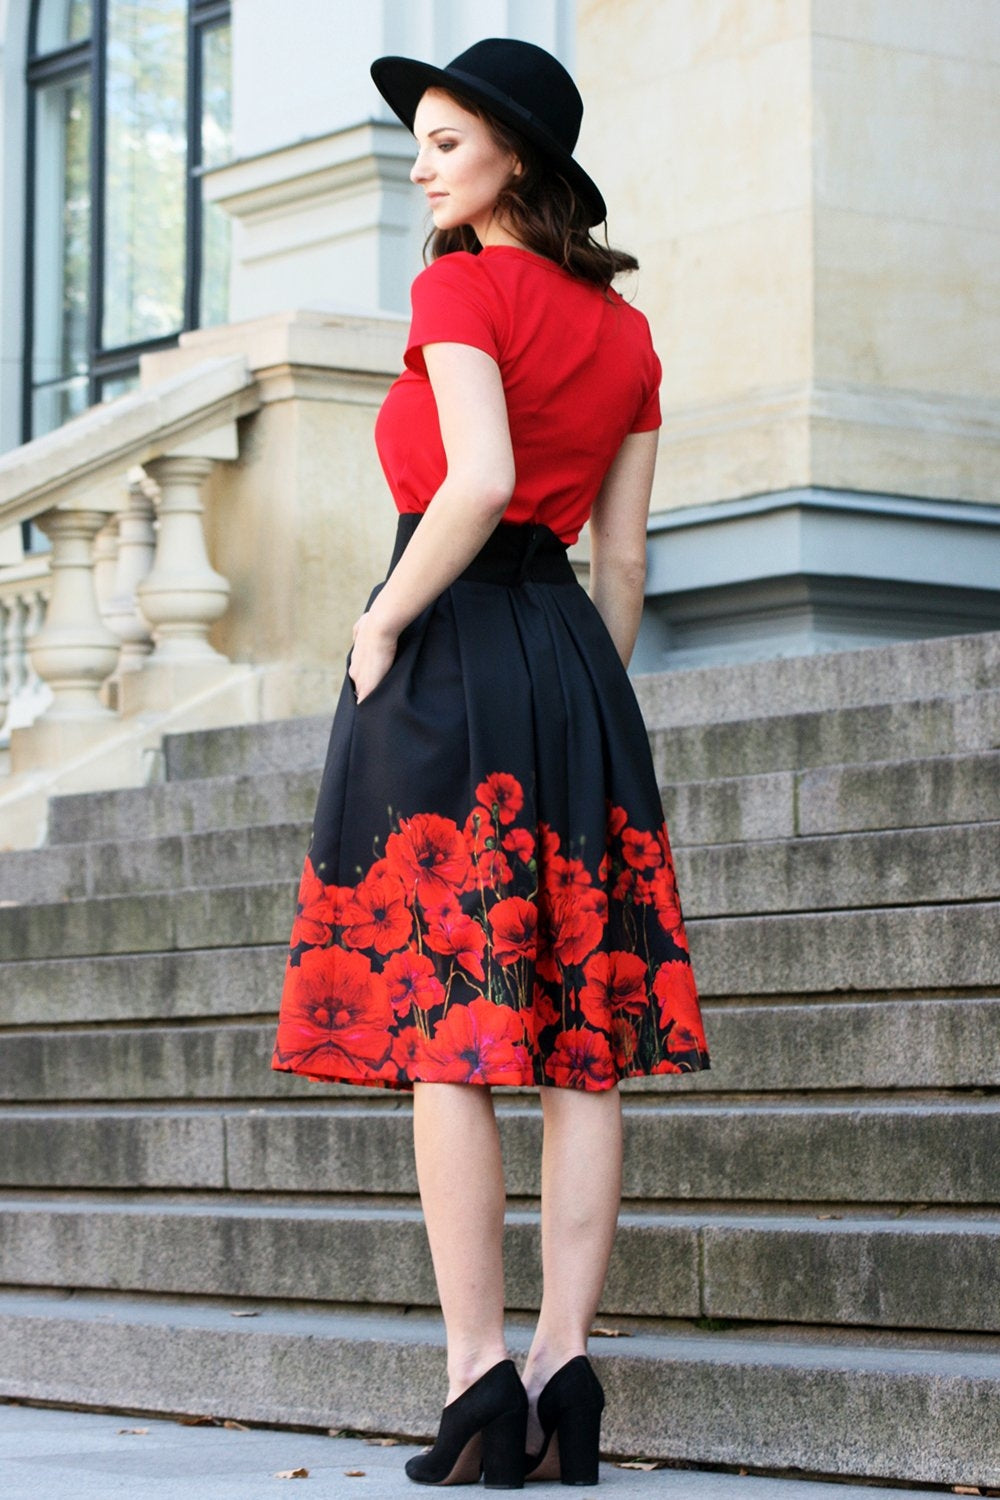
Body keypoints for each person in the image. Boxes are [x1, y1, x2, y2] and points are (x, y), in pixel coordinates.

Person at [271, 36, 711, 1489]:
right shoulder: (630, 336)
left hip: (451, 648)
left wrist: (378, 623)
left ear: (515, 157)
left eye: (447, 141)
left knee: (448, 1027)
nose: (421, 164)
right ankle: (562, 1360)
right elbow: (626, 558)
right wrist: (585, 690)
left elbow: (478, 483)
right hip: (575, 665)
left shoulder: (458, 287)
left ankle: (474, 1372)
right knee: (583, 1038)